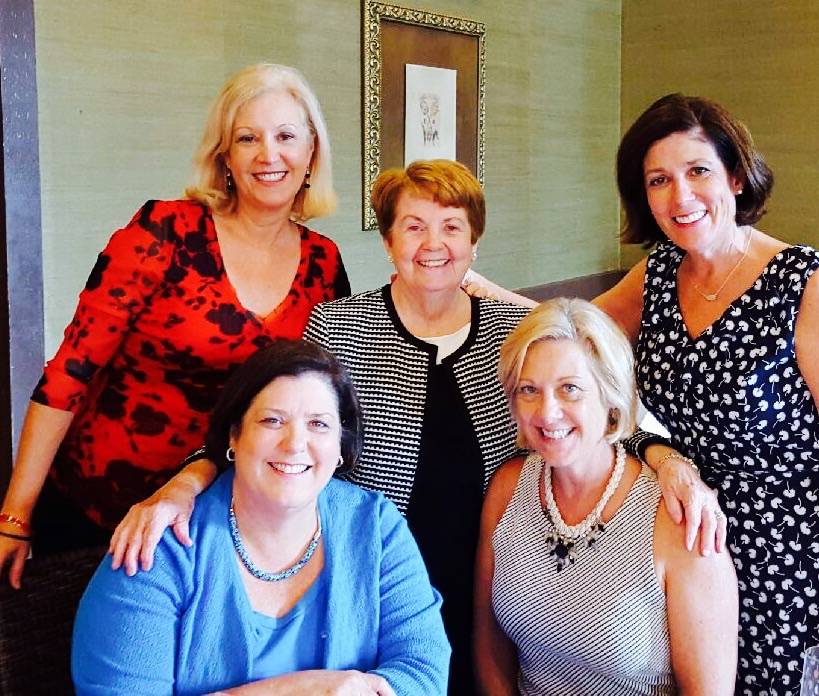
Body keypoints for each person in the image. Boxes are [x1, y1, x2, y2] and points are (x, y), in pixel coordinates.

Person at [111, 159, 531, 695]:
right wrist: (185, 482)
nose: (433, 243)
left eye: (452, 227)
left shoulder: (514, 332)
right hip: (372, 579)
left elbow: (588, 404)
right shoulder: (339, 327)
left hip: (493, 577)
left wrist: (659, 454)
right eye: (414, 225)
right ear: (387, 242)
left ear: (474, 244)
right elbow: (262, 425)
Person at [0, 63, 350, 588]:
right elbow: (69, 372)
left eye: (285, 136)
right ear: (224, 156)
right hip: (98, 508)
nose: (268, 155)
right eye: (247, 138)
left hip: (218, 521)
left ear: (311, 154)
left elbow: (322, 394)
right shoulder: (164, 232)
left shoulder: (324, 263)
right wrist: (15, 515)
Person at [593, 93, 819, 695]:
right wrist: (467, 284)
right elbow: (574, 331)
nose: (680, 197)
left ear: (737, 177)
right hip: (679, 540)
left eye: (698, 172)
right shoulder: (659, 271)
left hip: (785, 557)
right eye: (658, 180)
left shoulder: (802, 281)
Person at [72, 339, 449, 695]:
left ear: (340, 448)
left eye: (318, 424)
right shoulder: (158, 547)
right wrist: (297, 690)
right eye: (272, 421)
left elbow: (424, 672)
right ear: (233, 436)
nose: (295, 443)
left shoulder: (376, 527)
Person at [475, 298, 738, 695]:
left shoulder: (678, 515)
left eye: (570, 390)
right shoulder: (508, 488)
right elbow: (488, 641)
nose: (547, 413)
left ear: (610, 395)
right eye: (529, 390)